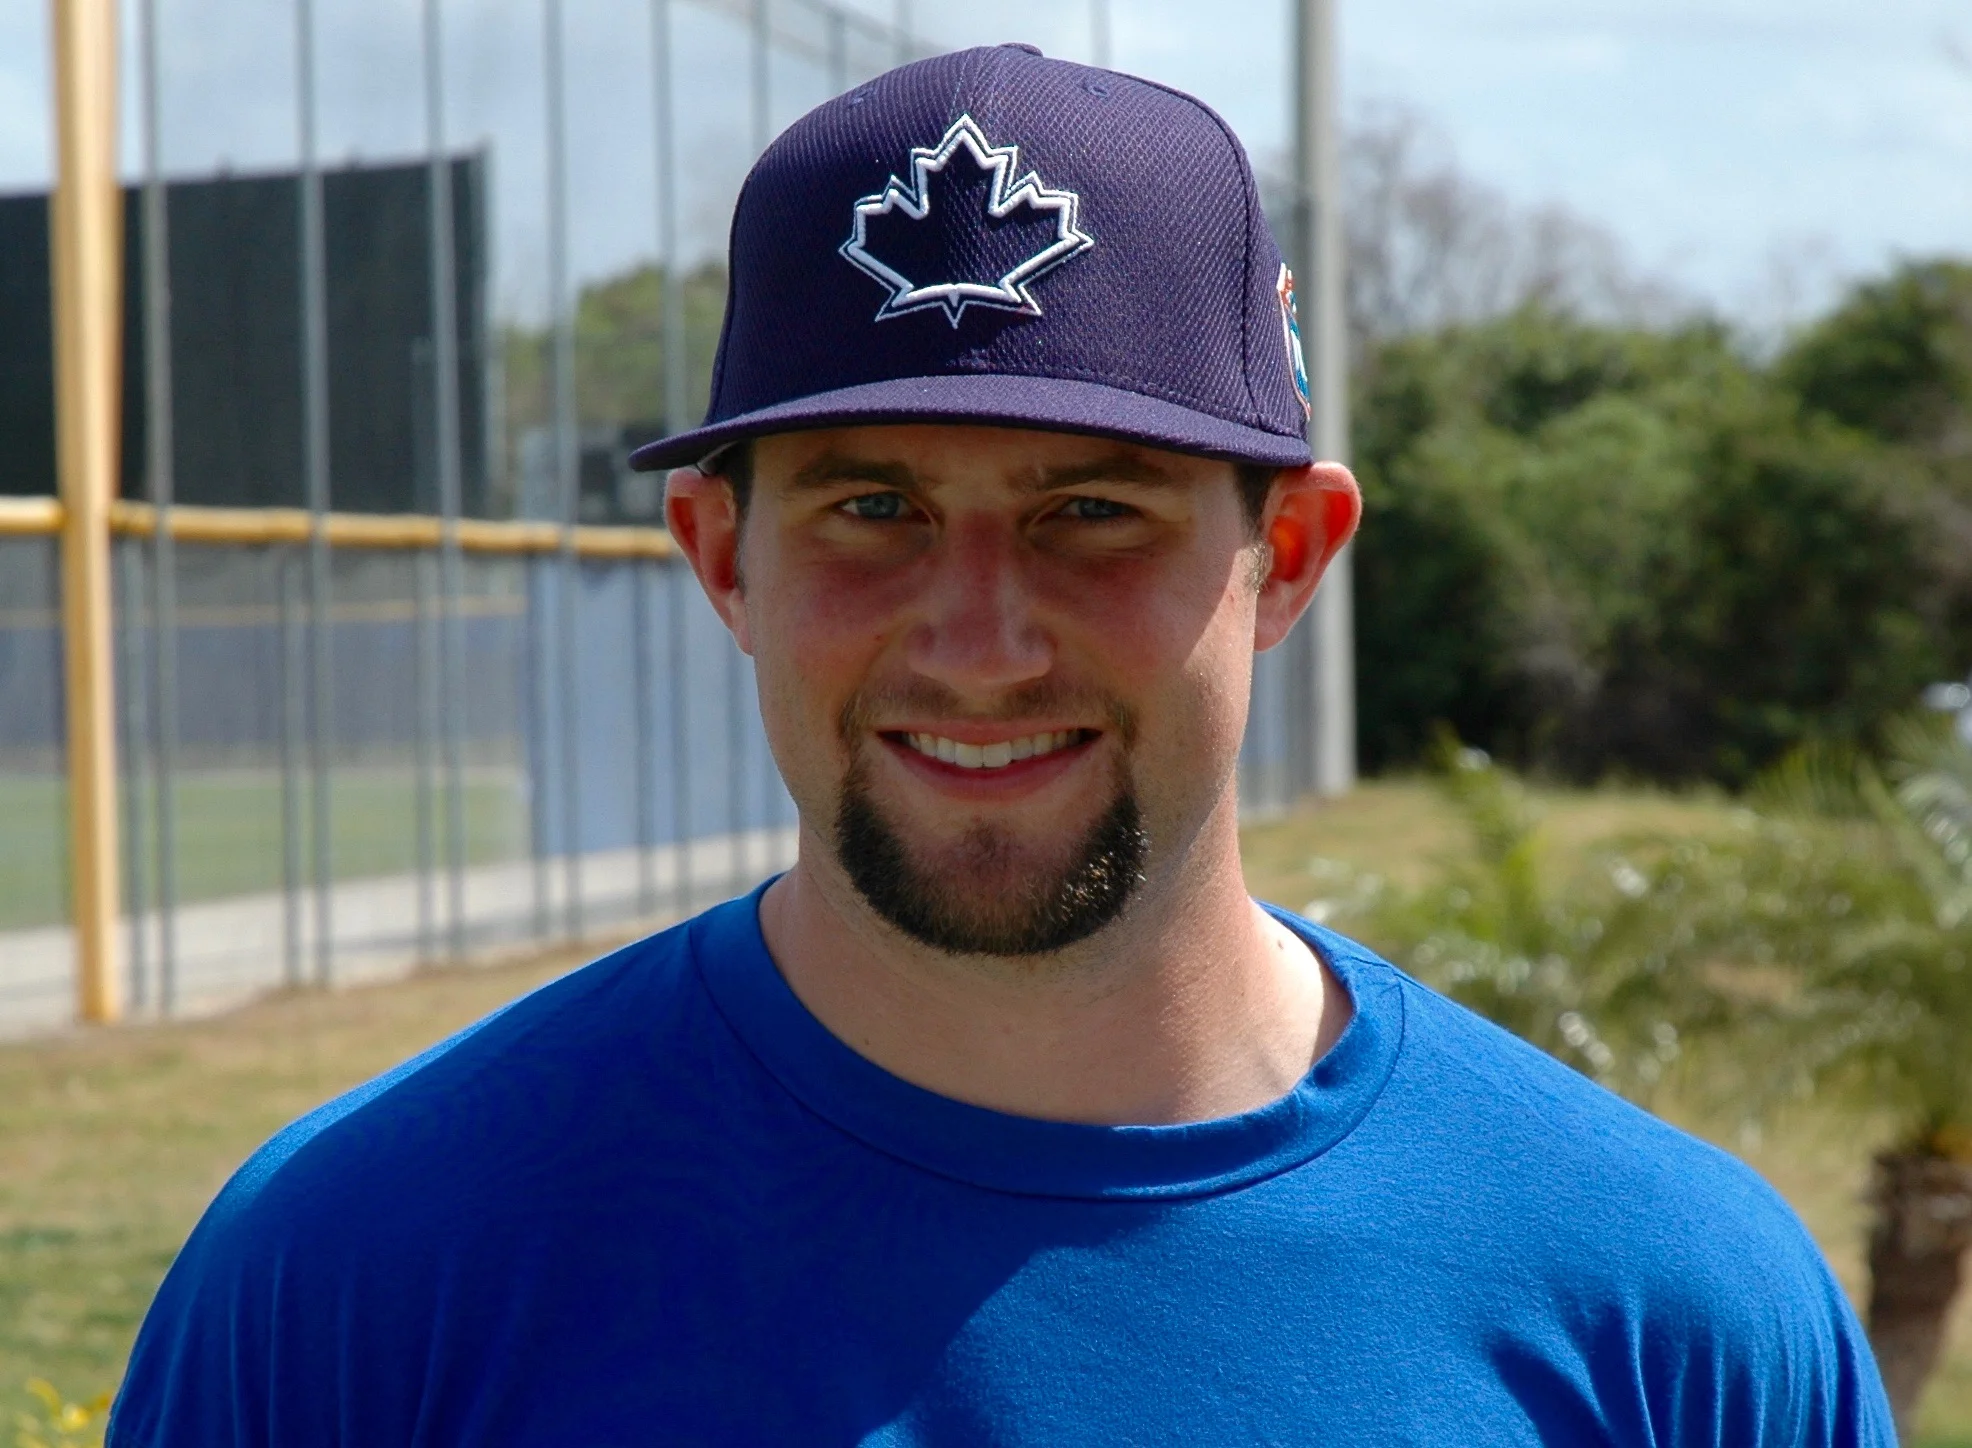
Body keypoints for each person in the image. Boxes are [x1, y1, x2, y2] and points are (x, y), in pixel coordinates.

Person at [111, 44, 1893, 1446]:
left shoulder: (1669, 1313)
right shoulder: (364, 1272)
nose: (979, 642)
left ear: (1286, 557)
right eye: (873, 508)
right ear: (724, 560)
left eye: (1093, 512)